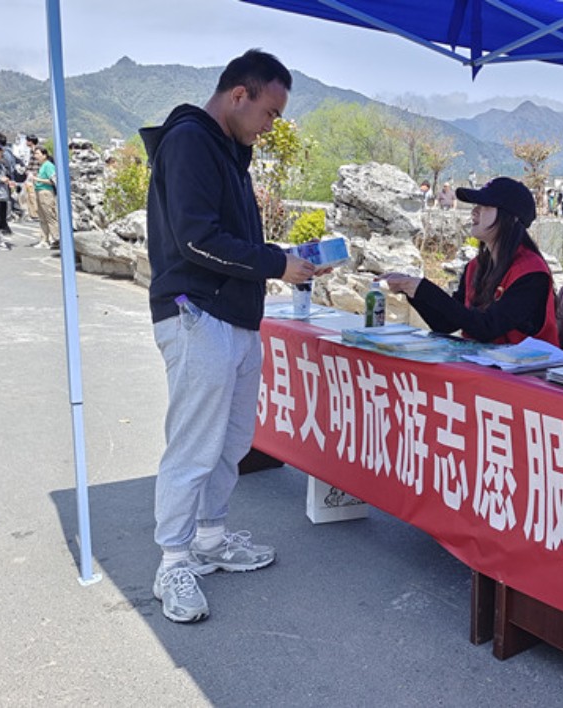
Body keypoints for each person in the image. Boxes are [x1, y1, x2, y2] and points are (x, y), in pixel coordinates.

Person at [142, 49, 321, 625]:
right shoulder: (190, 141)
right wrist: (276, 262)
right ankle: (173, 559)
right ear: (238, 95)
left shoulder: (228, 151)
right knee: (193, 444)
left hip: (237, 318)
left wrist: (282, 260)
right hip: (197, 313)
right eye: (270, 113)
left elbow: (226, 240)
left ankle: (211, 539)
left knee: (231, 441)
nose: (272, 127)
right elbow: (196, 239)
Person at [380, 176, 558, 345]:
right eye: (476, 205)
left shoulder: (531, 272)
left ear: (511, 218)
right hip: (488, 369)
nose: (474, 211)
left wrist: (424, 288)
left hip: (531, 372)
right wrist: (411, 290)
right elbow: (446, 324)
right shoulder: (476, 266)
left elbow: (487, 327)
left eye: (485, 205)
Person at [30, 146, 58, 249]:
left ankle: (56, 238)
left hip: (46, 192)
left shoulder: (48, 166)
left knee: (49, 216)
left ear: (44, 155)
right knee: (42, 217)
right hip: (39, 191)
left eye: (38, 154)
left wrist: (37, 179)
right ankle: (44, 239)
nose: (35, 156)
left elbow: (53, 180)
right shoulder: (42, 166)